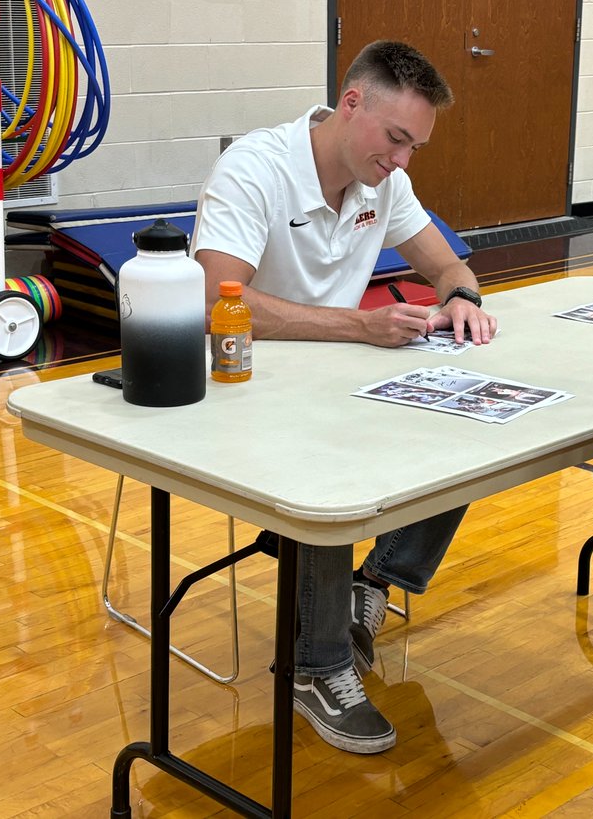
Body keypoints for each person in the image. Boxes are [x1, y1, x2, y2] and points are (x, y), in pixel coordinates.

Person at [191, 40, 497, 754]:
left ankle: (375, 582)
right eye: (396, 139)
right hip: (240, 382)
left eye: (415, 146)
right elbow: (216, 303)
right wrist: (357, 327)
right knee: (323, 459)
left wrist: (462, 301)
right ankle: (316, 666)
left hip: (340, 376)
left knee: (475, 423)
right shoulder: (255, 169)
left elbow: (449, 263)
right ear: (351, 104)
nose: (402, 161)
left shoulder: (383, 181)